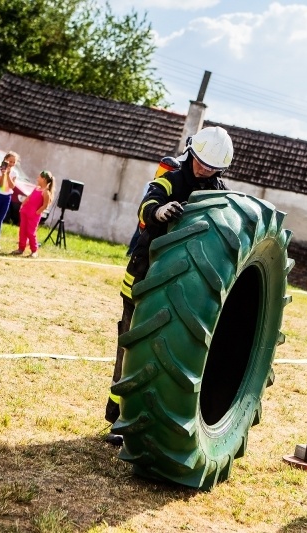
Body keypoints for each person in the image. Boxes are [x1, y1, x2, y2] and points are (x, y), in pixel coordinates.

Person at [105, 126, 233, 446]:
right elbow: (146, 206)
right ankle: (118, 418)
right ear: (192, 152)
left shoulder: (218, 191)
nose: (203, 170)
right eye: (201, 162)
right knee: (131, 348)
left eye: (212, 167)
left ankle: (156, 419)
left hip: (185, 288)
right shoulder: (171, 178)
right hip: (145, 277)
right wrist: (160, 211)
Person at [11, 170, 54, 257]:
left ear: (44, 179)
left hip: (33, 215)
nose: (37, 178)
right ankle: (21, 248)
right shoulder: (36, 188)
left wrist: (37, 212)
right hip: (25, 211)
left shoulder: (46, 192)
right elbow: (29, 197)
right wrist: (23, 204)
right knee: (22, 230)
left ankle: (34, 251)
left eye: (39, 177)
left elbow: (45, 205)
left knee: (31, 232)